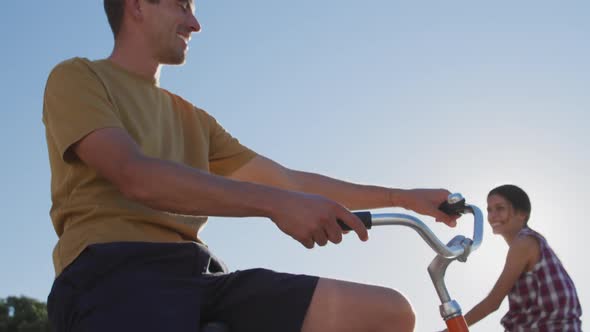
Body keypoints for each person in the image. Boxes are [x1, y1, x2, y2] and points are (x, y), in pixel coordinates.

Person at [42, 1, 459, 331]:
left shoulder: (194, 119)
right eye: (182, 6)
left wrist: (403, 198)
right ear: (137, 5)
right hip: (114, 277)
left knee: (388, 314)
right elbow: (135, 175)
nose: (195, 23)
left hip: (200, 276)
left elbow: (287, 181)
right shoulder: (78, 77)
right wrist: (275, 204)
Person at [441, 184, 582, 331]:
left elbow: (492, 303)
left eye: (500, 208)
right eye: (489, 210)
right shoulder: (532, 242)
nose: (492, 215)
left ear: (522, 214)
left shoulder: (525, 243)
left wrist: (448, 330)